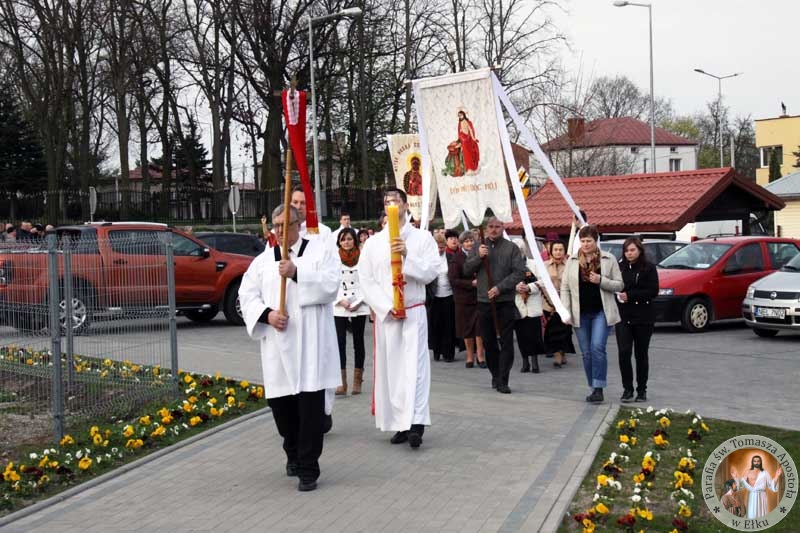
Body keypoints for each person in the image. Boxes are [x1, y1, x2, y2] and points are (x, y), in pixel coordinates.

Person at [238, 205, 340, 492]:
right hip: (278, 346)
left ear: (298, 224)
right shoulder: (262, 261)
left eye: (286, 225)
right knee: (283, 410)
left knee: (310, 412)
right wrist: (267, 315)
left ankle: (309, 468)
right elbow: (247, 295)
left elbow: (331, 285)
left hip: (310, 346)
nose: (281, 231)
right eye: (277, 225)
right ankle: (292, 452)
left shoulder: (319, 252)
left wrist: (297, 273)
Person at [359, 187, 439, 448]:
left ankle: (416, 422)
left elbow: (431, 272)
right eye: (387, 202)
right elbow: (366, 279)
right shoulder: (373, 243)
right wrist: (384, 306)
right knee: (393, 370)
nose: (391, 204)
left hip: (414, 310)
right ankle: (400, 423)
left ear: (405, 205)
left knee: (415, 368)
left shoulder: (422, 238)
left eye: (395, 200)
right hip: (388, 315)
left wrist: (407, 255)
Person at [561, 224, 623, 403]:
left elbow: (619, 285)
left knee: (597, 347)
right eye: (583, 241)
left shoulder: (608, 259)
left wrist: (601, 280)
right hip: (579, 313)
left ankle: (599, 387)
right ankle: (593, 386)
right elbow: (565, 287)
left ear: (596, 241)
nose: (586, 244)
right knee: (586, 353)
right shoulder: (572, 261)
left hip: (601, 312)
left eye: (589, 241)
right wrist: (565, 310)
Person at [290, 186, 335, 431]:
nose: (298, 207)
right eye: (294, 202)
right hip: (291, 313)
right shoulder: (280, 233)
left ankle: (323, 411)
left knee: (320, 362)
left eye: (302, 203)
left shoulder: (322, 233)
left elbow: (330, 273)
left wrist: (301, 276)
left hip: (316, 312)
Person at [463, 217, 525, 394]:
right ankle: (495, 374)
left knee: (506, 341)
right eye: (490, 226)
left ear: (502, 228)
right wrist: (478, 257)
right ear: (486, 227)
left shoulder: (511, 248)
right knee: (488, 341)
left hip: (504, 301)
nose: (493, 229)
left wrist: (500, 288)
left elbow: (519, 272)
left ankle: (503, 379)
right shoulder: (478, 246)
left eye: (497, 226)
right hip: (484, 301)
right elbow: (466, 270)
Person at [616, 236, 659, 403]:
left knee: (641, 354)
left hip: (643, 317)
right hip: (623, 316)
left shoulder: (649, 267)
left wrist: (631, 296)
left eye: (632, 250)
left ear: (640, 250)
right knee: (624, 352)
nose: (629, 253)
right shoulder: (619, 267)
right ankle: (627, 389)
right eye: (626, 250)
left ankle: (642, 390)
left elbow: (653, 291)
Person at [333, 227, 370, 396]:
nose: (346, 242)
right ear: (339, 242)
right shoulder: (334, 258)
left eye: (349, 239)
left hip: (359, 304)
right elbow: (331, 281)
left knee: (358, 342)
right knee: (339, 342)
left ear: (354, 240)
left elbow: (367, 281)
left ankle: (357, 381)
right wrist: (340, 300)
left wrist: (359, 300)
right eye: (343, 239)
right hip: (340, 304)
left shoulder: (363, 258)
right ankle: (341, 382)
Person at [448, 230, 486, 368]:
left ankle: (480, 356)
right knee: (466, 329)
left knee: (480, 328)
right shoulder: (456, 258)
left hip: (480, 297)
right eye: (466, 241)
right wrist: (471, 283)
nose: (469, 243)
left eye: (471, 240)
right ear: (461, 243)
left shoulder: (480, 255)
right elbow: (453, 280)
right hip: (463, 299)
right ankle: (469, 356)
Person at [541, 240, 575, 368]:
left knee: (565, 331)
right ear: (551, 251)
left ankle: (562, 352)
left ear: (564, 251)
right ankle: (557, 355)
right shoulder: (544, 266)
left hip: (565, 304)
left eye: (561, 249)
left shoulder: (570, 265)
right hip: (549, 304)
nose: (558, 252)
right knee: (552, 331)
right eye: (555, 249)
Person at [513, 240, 545, 374]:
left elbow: (543, 281)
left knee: (534, 334)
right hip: (518, 305)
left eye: (519, 250)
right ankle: (525, 362)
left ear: (523, 251)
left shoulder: (534, 264)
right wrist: (515, 287)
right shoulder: (508, 266)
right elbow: (503, 283)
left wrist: (529, 287)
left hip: (533, 304)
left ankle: (535, 361)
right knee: (521, 335)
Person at [427, 234, 456, 362]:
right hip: (434, 296)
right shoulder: (429, 258)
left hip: (449, 295)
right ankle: (437, 351)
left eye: (442, 247)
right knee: (435, 324)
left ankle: (448, 353)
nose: (440, 249)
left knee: (448, 325)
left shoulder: (451, 257)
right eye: (438, 247)